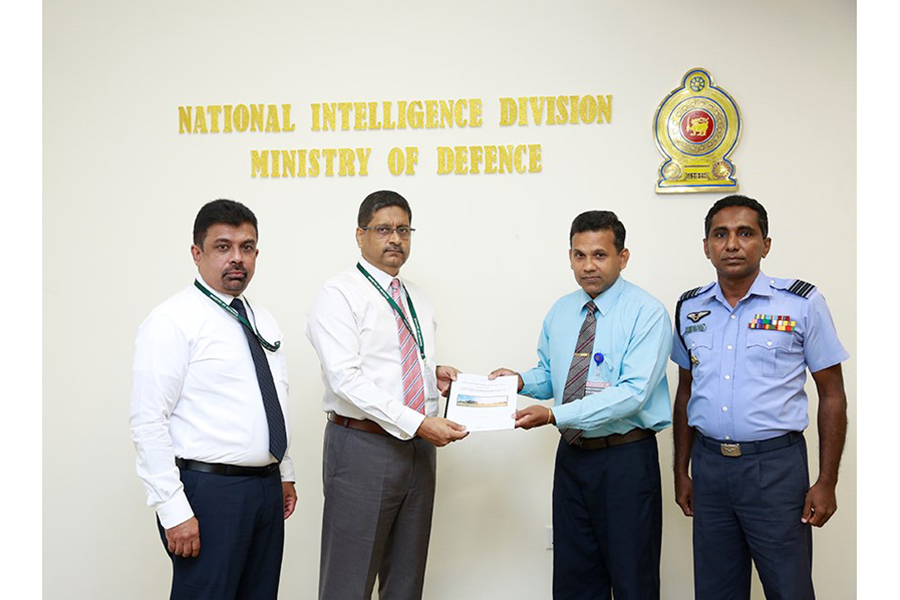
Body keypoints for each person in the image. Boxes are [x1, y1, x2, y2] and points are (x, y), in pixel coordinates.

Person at [671, 195, 849, 600]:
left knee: (789, 590)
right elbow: (686, 393)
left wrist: (826, 481)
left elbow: (832, 395)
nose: (732, 244)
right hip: (711, 470)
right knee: (716, 591)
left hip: (776, 471)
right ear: (706, 246)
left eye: (745, 233)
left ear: (765, 244)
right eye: (721, 234)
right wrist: (682, 470)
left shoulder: (802, 303)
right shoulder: (689, 308)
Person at [490, 210, 672, 600]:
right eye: (579, 255)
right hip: (572, 458)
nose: (588, 266)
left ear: (622, 257)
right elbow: (551, 375)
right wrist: (520, 381)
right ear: (569, 256)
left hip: (625, 460)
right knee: (574, 578)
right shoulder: (561, 311)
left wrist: (556, 414)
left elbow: (633, 393)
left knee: (632, 579)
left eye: (600, 255)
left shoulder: (647, 312)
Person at [305, 189, 468, 600]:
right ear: (360, 235)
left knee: (406, 581)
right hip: (362, 446)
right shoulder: (338, 294)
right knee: (349, 580)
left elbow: (395, 365)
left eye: (403, 230)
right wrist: (418, 421)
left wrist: (434, 376)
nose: (395, 238)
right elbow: (346, 379)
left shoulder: (416, 297)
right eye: (383, 229)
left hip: (418, 450)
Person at [130, 199, 297, 600]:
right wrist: (173, 509)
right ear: (197, 253)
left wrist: (284, 470)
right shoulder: (172, 320)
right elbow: (148, 421)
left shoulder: (262, 318)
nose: (237, 258)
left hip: (265, 491)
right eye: (223, 246)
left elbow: (273, 398)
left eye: (247, 247)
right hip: (207, 493)